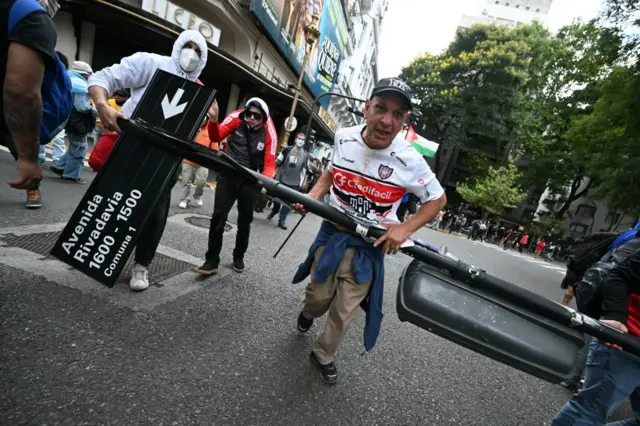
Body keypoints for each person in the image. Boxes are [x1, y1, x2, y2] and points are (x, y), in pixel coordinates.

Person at [291, 78, 447, 384]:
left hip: (368, 247)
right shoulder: (344, 137)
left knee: (344, 310)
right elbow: (332, 171)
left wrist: (405, 227)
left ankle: (323, 354)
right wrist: (314, 195)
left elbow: (438, 199)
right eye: (380, 109)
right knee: (318, 298)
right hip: (332, 233)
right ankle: (309, 313)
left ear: (404, 121)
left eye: (398, 114)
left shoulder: (411, 160)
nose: (387, 121)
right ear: (366, 108)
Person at [88, 29, 209, 291]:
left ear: (204, 59)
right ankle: (101, 254)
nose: (191, 54)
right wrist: (102, 104)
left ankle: (141, 265)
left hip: (165, 159)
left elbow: (204, 127)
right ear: (177, 46)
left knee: (155, 213)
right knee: (115, 202)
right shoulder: (149, 63)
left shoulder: (199, 91)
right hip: (129, 146)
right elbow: (102, 78)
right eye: (188, 46)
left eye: (198, 51)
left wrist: (209, 116)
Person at [552, 249, 640, 425]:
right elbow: (620, 275)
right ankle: (574, 377)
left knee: (589, 411)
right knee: (589, 412)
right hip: (627, 340)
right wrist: (614, 316)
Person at [2, 0, 72, 209]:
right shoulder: (30, 15)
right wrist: (27, 159)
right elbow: (20, 92)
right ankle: (32, 187)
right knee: (20, 146)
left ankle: (33, 189)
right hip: (11, 112)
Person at [196, 97, 277, 275]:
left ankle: (238, 256)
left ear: (264, 117)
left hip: (250, 180)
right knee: (218, 216)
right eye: (249, 114)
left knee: (244, 221)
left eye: (257, 116)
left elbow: (269, 164)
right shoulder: (235, 117)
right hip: (228, 173)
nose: (252, 118)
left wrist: (266, 182)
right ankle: (211, 260)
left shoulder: (269, 132)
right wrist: (214, 120)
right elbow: (217, 136)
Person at [50, 61, 95, 184]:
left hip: (67, 118)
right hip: (78, 121)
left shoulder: (68, 79)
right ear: (84, 74)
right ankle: (71, 175)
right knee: (80, 147)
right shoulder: (81, 86)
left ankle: (59, 165)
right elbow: (82, 107)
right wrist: (96, 109)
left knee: (75, 145)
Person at [267, 132, 309, 229]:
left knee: (289, 204)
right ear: (295, 139)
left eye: (303, 139)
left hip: (295, 183)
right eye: (299, 138)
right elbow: (278, 161)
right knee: (277, 198)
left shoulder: (305, 155)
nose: (301, 141)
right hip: (282, 179)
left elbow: (304, 170)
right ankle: (275, 210)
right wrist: (271, 173)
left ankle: (282, 220)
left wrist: (303, 183)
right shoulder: (287, 150)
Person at [179, 117, 213, 209]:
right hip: (188, 159)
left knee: (201, 182)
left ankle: (198, 195)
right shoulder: (191, 126)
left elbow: (214, 146)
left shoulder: (211, 128)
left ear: (207, 119)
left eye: (204, 118)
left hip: (203, 161)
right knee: (185, 181)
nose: (202, 120)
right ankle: (184, 199)